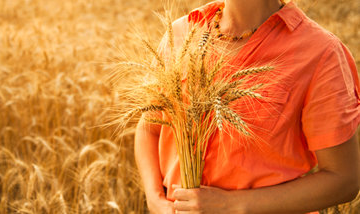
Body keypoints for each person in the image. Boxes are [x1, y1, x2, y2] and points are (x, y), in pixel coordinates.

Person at [134, 0, 360, 213]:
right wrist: (155, 200)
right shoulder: (182, 33)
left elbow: (344, 178)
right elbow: (149, 128)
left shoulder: (321, 53)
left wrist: (231, 206)